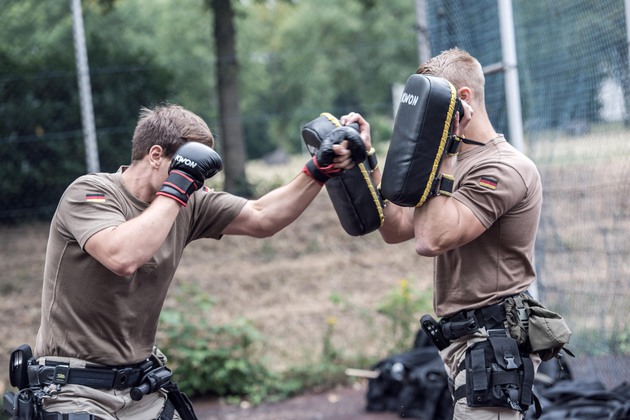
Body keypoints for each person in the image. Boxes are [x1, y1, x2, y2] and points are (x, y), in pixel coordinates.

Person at [14, 104, 365, 419]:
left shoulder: (187, 198)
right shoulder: (90, 192)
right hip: (74, 389)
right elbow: (122, 256)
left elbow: (262, 216)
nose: (198, 182)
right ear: (155, 155)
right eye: (190, 167)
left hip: (139, 388)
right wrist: (178, 186)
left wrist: (320, 169)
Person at [341, 48, 543, 420]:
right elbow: (397, 228)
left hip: (492, 345)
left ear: (461, 101)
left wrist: (446, 153)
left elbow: (430, 240)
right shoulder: (450, 163)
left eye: (433, 107)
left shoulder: (503, 168)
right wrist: (367, 158)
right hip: (461, 344)